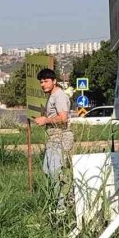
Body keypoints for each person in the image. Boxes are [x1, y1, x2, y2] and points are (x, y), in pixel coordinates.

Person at [33, 68, 73, 209]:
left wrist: (46, 120)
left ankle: (61, 207)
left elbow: (63, 118)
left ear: (54, 81)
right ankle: (57, 203)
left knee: (55, 173)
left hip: (59, 137)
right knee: (48, 170)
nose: (43, 84)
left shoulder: (59, 95)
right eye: (41, 82)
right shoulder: (52, 96)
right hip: (53, 138)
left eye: (46, 81)